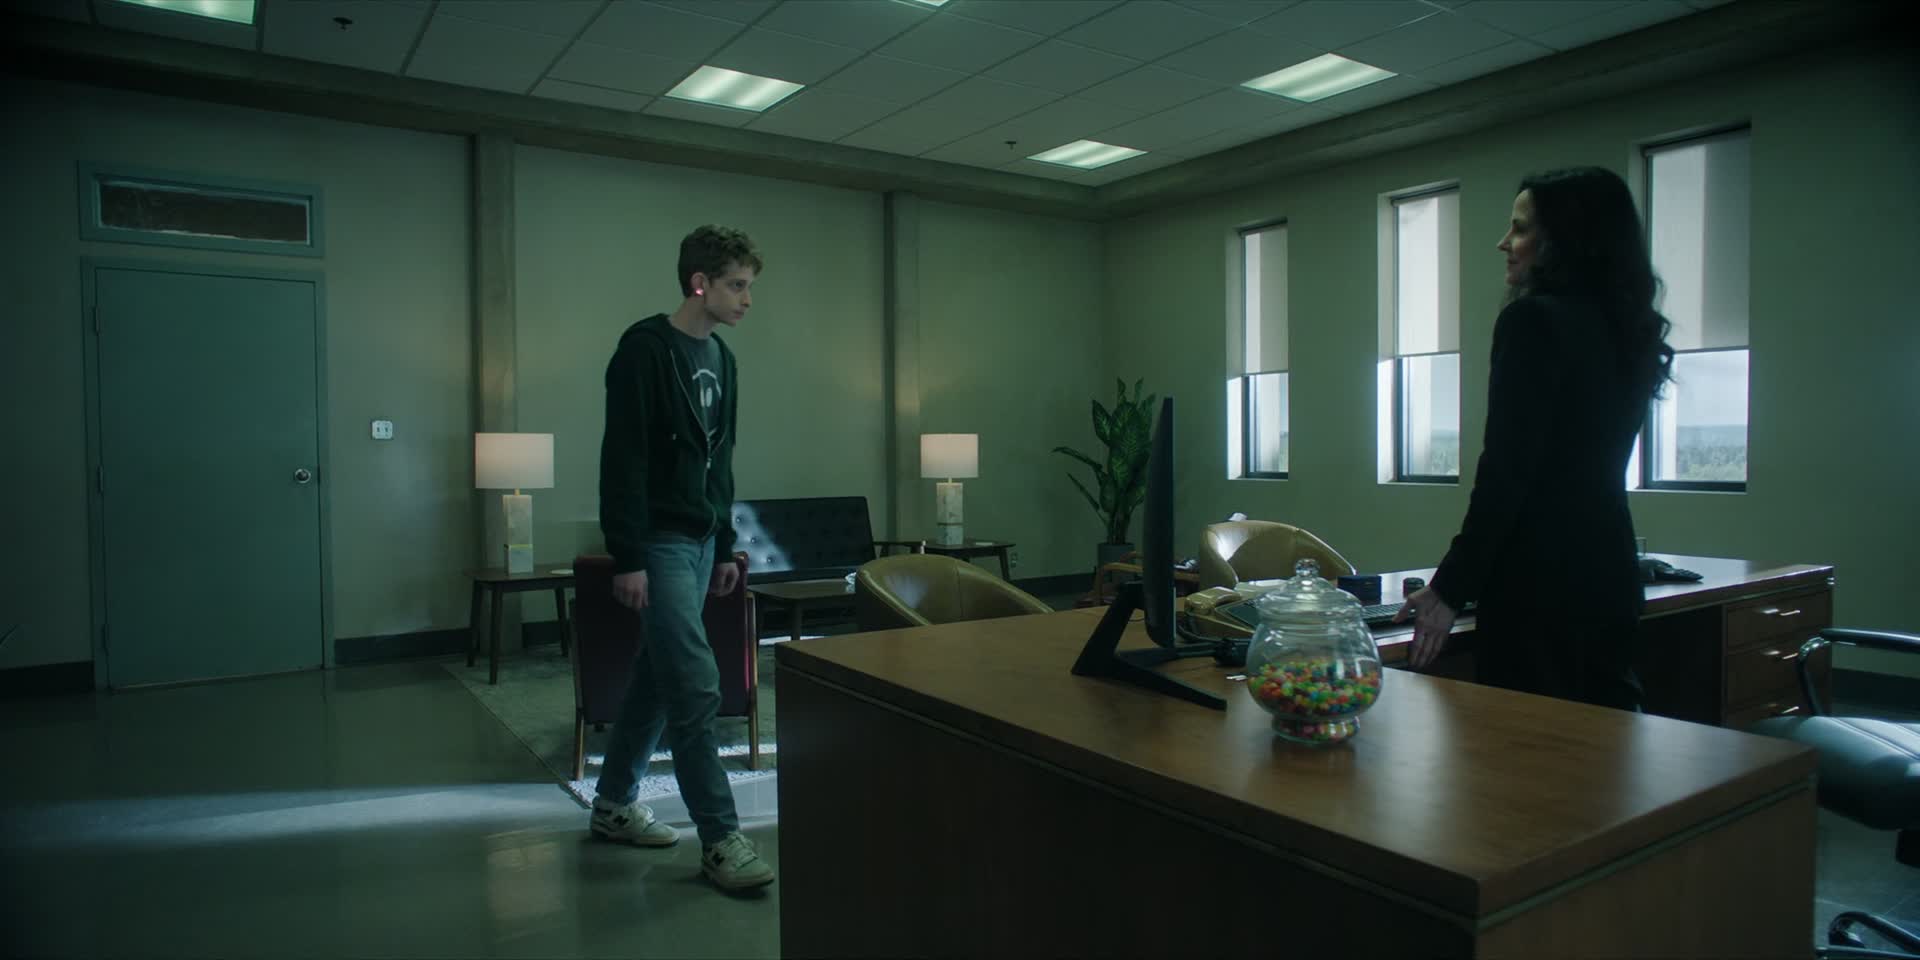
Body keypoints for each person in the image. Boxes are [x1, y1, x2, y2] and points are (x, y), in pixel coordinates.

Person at [1397, 167, 1675, 711]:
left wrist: (1449, 588)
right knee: (1607, 745)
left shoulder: (1533, 320)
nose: (1504, 242)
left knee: (1532, 750)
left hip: (1539, 585)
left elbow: (1508, 472)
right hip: (1610, 571)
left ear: (1564, 241)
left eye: (1521, 228)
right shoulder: (1630, 326)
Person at [590, 224, 775, 891]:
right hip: (658, 541)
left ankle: (613, 804)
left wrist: (724, 543)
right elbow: (624, 459)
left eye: (749, 286)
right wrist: (628, 555)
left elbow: (720, 461)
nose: (747, 299)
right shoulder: (644, 351)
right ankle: (721, 840)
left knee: (656, 675)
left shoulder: (724, 359)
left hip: (700, 543)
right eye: (737, 285)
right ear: (700, 284)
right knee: (695, 686)